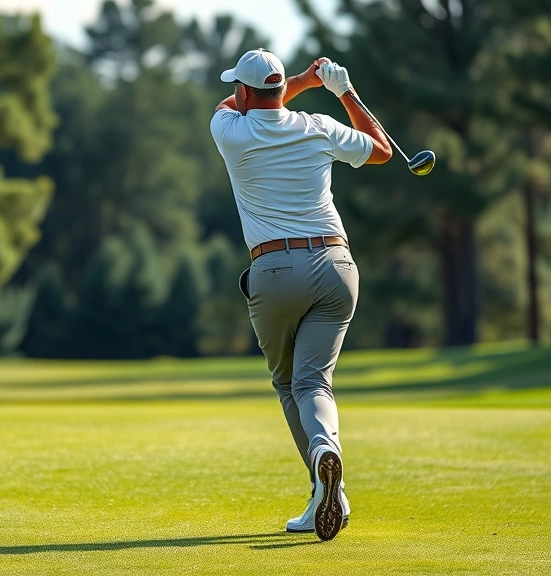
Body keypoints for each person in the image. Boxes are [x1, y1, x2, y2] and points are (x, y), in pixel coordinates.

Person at [209, 49, 392, 541]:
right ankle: (326, 479)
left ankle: (320, 469)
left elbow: (239, 101)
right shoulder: (319, 126)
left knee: (290, 384)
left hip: (274, 269)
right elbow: (381, 149)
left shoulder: (230, 130)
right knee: (317, 383)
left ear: (246, 92)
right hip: (336, 265)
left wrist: (304, 80)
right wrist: (342, 90)